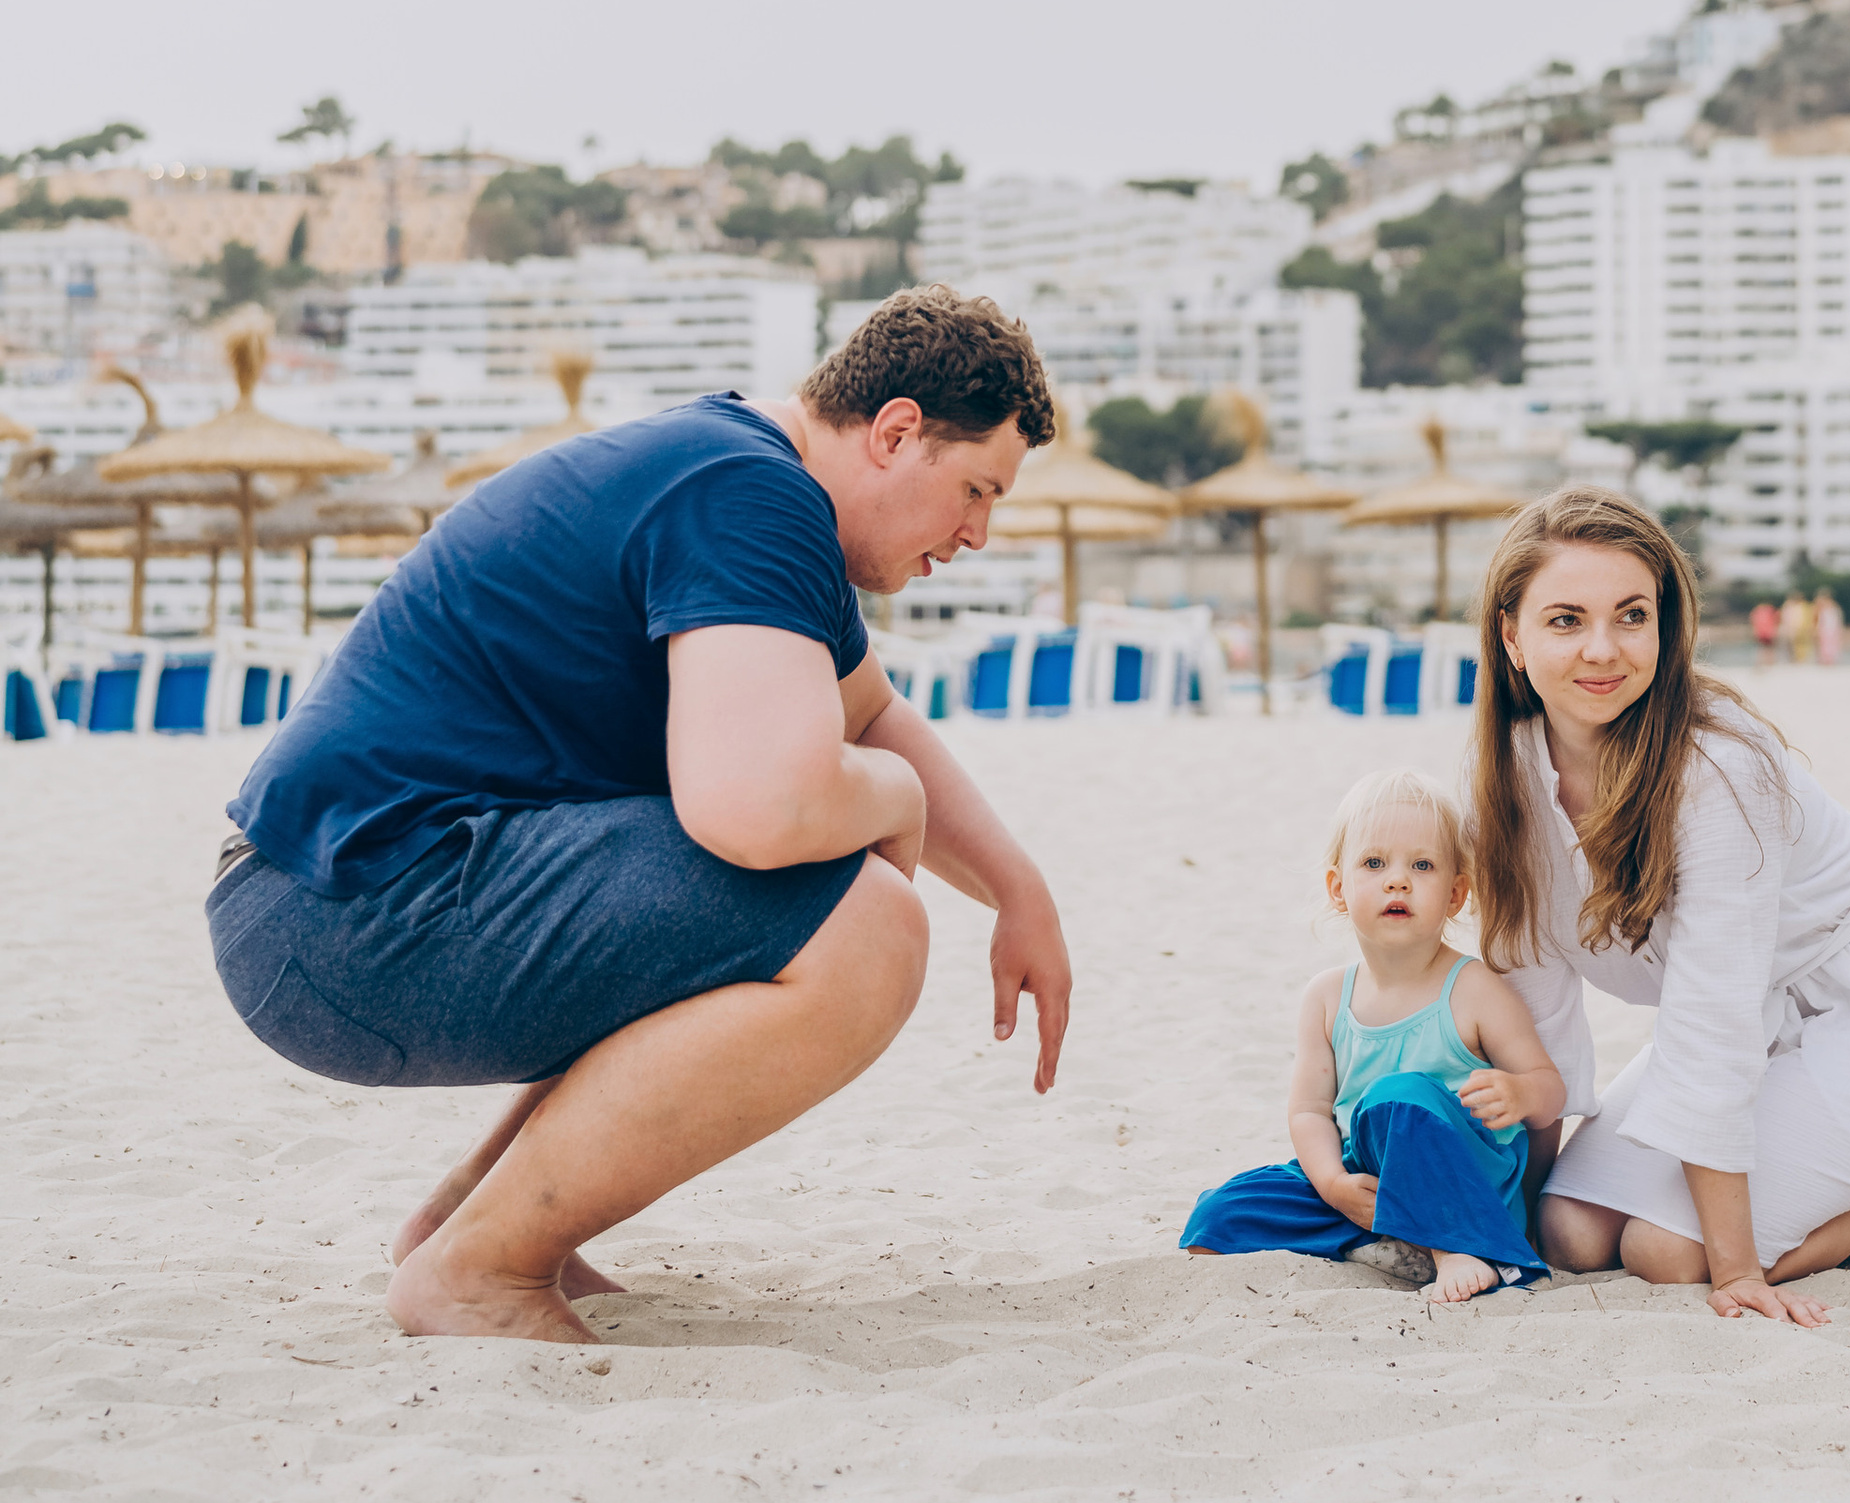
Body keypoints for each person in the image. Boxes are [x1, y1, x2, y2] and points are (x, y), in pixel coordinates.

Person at [206, 288, 1073, 1348]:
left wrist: (1020, 894)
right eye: (976, 489)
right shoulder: (748, 495)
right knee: (866, 930)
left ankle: (471, 1220)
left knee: (810, 898)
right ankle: (477, 1270)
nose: (978, 532)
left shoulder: (743, 479)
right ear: (895, 433)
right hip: (340, 914)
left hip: (331, 903)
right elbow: (759, 811)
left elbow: (872, 714)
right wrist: (891, 802)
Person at [1461, 490, 1850, 1328]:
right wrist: (1515, 1224)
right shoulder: (1506, 786)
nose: (1604, 649)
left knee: (1669, 1255)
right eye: (1566, 620)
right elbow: (1537, 1023)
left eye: (1632, 616)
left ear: (1667, 628)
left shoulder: (1720, 771)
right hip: (1754, 1019)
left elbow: (1715, 1018)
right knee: (1569, 1232)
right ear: (1510, 636)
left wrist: (1738, 1270)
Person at [1179, 768, 1562, 1304]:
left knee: (1394, 1098)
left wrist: (1520, 1093)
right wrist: (1335, 1185)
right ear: (1339, 889)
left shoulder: (1472, 988)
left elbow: (1549, 1088)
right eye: (1375, 863)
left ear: (1455, 895)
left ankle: (1454, 1248)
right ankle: (1396, 1240)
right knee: (1221, 1212)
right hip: (1368, 1178)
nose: (1397, 880)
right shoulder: (1328, 996)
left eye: (1422, 865)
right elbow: (1310, 1112)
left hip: (1463, 1183)